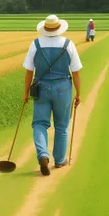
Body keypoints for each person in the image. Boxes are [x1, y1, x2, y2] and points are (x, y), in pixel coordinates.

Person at [23, 15, 82, 176]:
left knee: (40, 124)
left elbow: (29, 71)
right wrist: (78, 94)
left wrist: (26, 92)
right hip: (63, 88)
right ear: (59, 28)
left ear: (45, 29)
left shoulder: (35, 44)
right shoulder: (68, 44)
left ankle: (43, 155)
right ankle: (60, 160)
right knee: (62, 126)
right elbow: (76, 73)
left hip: (41, 88)